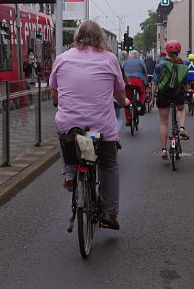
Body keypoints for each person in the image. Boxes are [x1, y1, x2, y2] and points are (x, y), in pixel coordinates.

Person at [50, 20, 129, 230]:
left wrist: (58, 102)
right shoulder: (110, 59)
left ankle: (69, 175)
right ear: (101, 38)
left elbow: (54, 91)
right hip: (100, 128)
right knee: (108, 165)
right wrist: (126, 103)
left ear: (77, 37)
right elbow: (119, 94)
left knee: (65, 134)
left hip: (72, 127)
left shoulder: (62, 59)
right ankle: (109, 215)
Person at [150, 40, 189, 159]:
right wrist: (187, 93)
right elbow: (184, 84)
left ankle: (164, 150)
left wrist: (152, 99)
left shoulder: (161, 64)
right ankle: (182, 127)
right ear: (179, 51)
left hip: (164, 94)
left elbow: (155, 82)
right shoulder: (183, 64)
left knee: (164, 123)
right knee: (181, 109)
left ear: (166, 51)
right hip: (177, 94)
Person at [123, 50, 148, 125]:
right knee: (142, 92)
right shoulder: (140, 62)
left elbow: (122, 72)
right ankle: (141, 102)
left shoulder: (125, 62)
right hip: (138, 80)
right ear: (138, 56)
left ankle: (128, 120)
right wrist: (146, 82)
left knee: (127, 100)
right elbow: (145, 72)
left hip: (128, 81)